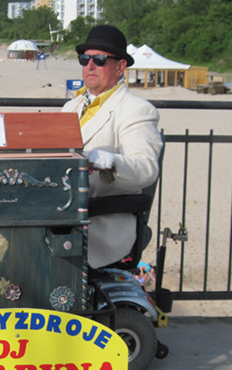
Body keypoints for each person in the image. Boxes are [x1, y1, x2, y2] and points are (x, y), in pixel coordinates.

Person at [62, 25, 163, 269]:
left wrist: (112, 161)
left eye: (99, 59)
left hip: (99, 224)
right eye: (85, 59)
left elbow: (147, 168)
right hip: (62, 213)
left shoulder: (136, 109)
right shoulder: (70, 107)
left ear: (120, 67)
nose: (90, 65)